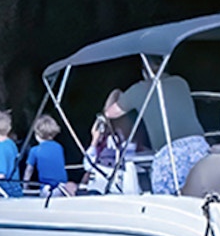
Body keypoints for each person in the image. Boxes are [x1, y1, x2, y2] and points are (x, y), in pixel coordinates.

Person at [103, 57, 208, 195]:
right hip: (200, 148)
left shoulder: (138, 90)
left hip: (172, 154)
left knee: (169, 201)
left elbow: (110, 113)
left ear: (144, 72)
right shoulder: (181, 82)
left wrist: (118, 95)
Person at [25, 114, 77, 196]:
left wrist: (25, 186)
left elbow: (29, 170)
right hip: (63, 186)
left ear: (37, 134)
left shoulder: (34, 150)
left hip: (47, 187)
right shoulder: (59, 147)